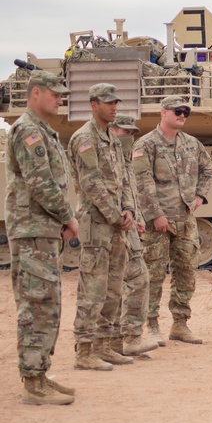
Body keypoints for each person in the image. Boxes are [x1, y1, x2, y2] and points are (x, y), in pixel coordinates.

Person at [5, 70, 78, 404]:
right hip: (33, 230)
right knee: (36, 305)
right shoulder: (27, 131)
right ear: (35, 93)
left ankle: (40, 373)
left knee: (48, 303)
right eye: (55, 94)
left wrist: (58, 221)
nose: (60, 99)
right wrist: (67, 217)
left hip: (43, 229)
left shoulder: (43, 131)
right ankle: (33, 382)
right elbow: (41, 183)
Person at [67, 84, 148, 371]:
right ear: (93, 105)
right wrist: (117, 215)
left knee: (114, 288)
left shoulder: (112, 139)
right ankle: (85, 350)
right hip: (97, 224)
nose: (113, 107)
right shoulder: (84, 139)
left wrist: (127, 210)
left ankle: (105, 345)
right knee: (93, 288)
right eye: (107, 103)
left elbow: (124, 179)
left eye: (115, 102)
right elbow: (91, 185)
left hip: (117, 224)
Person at [132, 95, 212, 344]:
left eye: (186, 112)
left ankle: (180, 324)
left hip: (185, 219)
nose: (182, 115)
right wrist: (156, 215)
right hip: (158, 221)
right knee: (154, 273)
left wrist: (199, 196)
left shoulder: (192, 144)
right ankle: (153, 325)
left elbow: (207, 170)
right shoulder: (145, 144)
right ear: (163, 112)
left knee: (186, 272)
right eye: (178, 111)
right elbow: (142, 182)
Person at [109, 114, 160, 352]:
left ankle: (125, 339)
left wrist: (137, 218)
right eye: (124, 132)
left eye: (132, 133)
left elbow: (128, 195)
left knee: (133, 280)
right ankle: (125, 338)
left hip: (128, 228)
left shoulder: (125, 161)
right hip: (111, 228)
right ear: (111, 130)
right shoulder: (106, 158)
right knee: (125, 282)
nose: (129, 137)